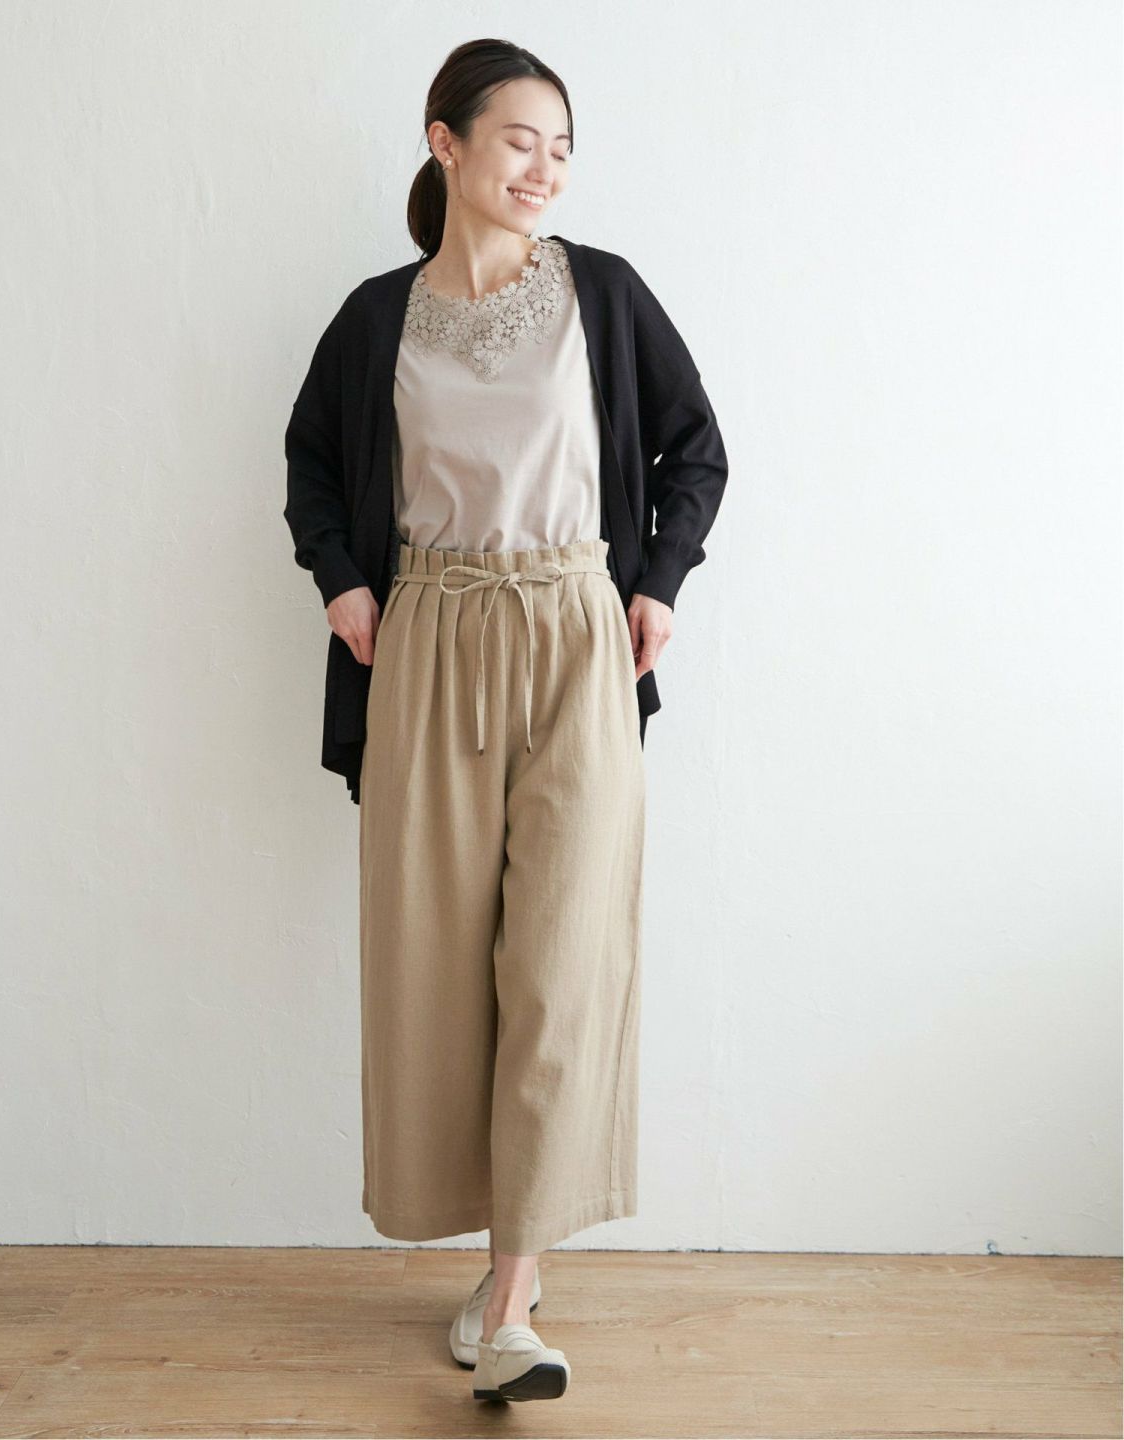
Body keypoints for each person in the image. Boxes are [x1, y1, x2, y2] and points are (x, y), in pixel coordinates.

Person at [283, 38, 729, 1405]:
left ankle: (516, 1297)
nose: (544, 168)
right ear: (448, 143)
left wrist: (657, 585)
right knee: (433, 963)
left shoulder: (605, 294)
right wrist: (344, 583)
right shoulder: (377, 320)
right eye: (521, 139)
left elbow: (695, 448)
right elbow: (311, 463)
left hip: (575, 630)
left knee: (562, 962)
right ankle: (484, 1270)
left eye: (562, 148)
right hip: (429, 634)